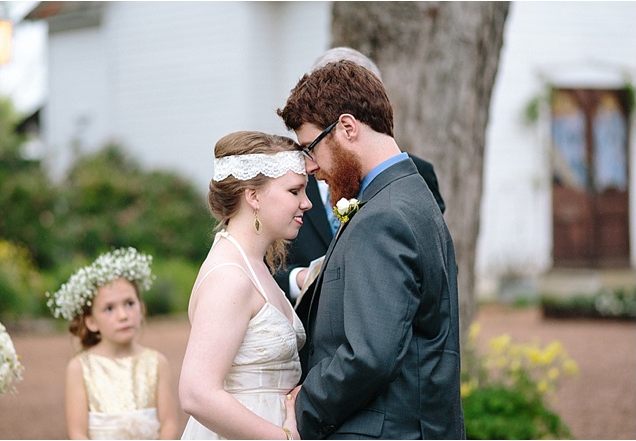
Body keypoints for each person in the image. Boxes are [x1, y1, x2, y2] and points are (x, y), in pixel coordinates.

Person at [277, 60, 466, 439]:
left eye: (310, 148)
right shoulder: (410, 195)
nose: (310, 168)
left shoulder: (384, 216)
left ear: (347, 127)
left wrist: (304, 406)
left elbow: (369, 356)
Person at [273, 47, 446, 309]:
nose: (309, 165)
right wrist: (300, 278)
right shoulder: (286, 183)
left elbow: (434, 271)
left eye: (312, 147)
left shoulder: (412, 180)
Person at [178, 131, 312, 440]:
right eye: (294, 191)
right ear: (253, 196)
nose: (306, 203)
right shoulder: (230, 276)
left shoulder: (254, 265)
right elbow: (196, 393)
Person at [46, 247, 179, 440]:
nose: (123, 315)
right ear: (91, 321)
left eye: (129, 304)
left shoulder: (157, 362)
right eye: (109, 308)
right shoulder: (80, 368)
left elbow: (169, 424)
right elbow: (77, 433)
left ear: (142, 309)